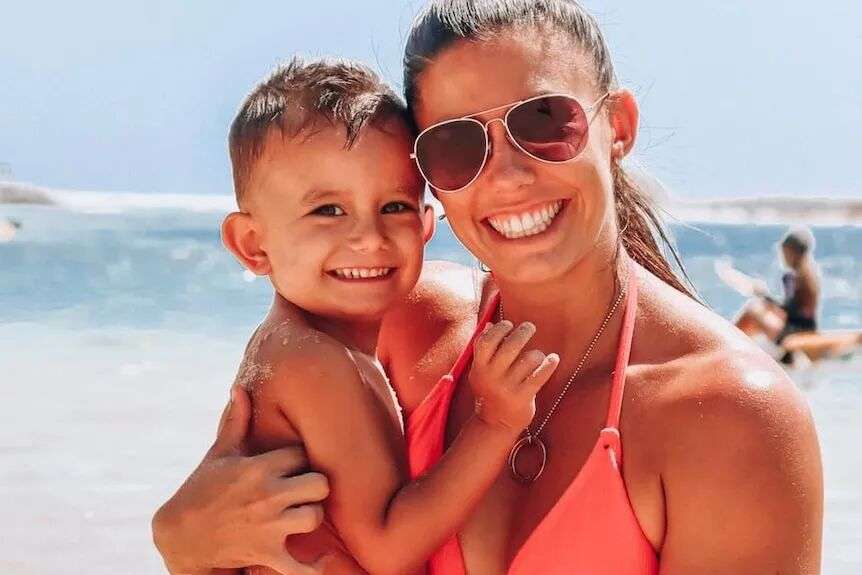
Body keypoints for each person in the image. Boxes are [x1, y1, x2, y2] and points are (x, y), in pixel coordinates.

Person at [153, 1, 824, 573]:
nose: (504, 177)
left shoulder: (728, 417)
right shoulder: (402, 325)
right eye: (456, 146)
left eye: (544, 123)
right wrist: (183, 539)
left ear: (616, 126)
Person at [159, 57, 561, 575]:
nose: (369, 238)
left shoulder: (296, 346)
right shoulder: (317, 363)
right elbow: (388, 549)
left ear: (425, 226)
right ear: (252, 245)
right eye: (328, 211)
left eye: (394, 207)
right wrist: (494, 421)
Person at [734, 227, 820, 363]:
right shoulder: (801, 274)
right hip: (794, 325)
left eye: (785, 252)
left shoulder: (803, 277)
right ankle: (737, 345)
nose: (783, 256)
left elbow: (797, 312)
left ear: (793, 252)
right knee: (758, 307)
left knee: (754, 310)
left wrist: (766, 296)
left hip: (797, 330)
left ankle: (731, 344)